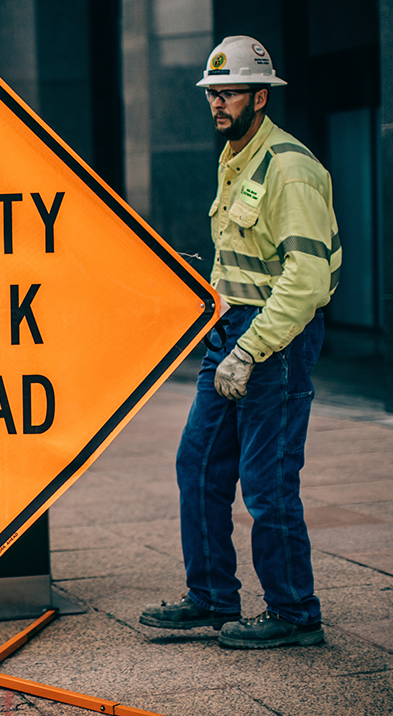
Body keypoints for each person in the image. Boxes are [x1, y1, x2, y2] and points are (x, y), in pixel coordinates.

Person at [140, 36, 341, 649]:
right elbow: (241, 258)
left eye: (228, 93)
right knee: (197, 463)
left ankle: (294, 611)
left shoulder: (289, 168)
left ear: (260, 96)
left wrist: (252, 348)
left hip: (274, 339)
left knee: (267, 481)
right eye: (211, 93)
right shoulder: (235, 159)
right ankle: (211, 597)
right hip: (226, 331)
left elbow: (306, 279)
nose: (217, 103)